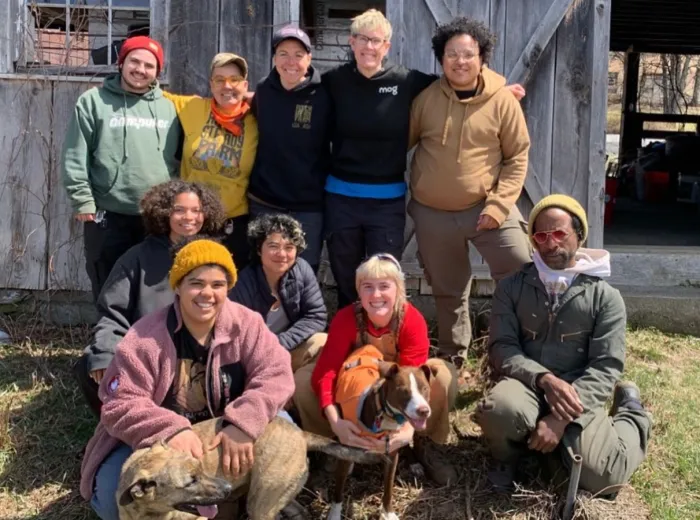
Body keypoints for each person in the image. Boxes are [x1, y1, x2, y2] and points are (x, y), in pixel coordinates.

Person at [321, 9, 525, 309]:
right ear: (352, 43)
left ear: (387, 46)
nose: (369, 46)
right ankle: (348, 339)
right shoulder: (332, 81)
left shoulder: (405, 81)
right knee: (344, 275)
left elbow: (458, 86)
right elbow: (301, 98)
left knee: (384, 276)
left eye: (377, 40)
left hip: (386, 200)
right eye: (362, 39)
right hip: (341, 196)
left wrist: (495, 93)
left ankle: (383, 341)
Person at [78, 238, 295, 520]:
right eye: (196, 283)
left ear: (228, 287)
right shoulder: (144, 337)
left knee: (283, 428)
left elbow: (276, 374)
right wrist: (171, 429)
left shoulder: (248, 324)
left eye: (218, 284)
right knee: (112, 501)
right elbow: (119, 404)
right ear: (177, 286)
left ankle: (249, 497)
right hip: (156, 442)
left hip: (221, 432)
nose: (207, 293)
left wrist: (244, 423)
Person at [475, 194, 652, 495]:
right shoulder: (511, 287)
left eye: (559, 233)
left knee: (605, 479)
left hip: (576, 393)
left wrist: (560, 418)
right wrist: (543, 379)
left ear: (579, 236)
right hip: (527, 383)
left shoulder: (605, 297)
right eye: (541, 236)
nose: (550, 243)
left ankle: (632, 412)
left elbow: (605, 366)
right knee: (500, 410)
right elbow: (502, 347)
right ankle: (508, 459)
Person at [408, 17, 532, 364]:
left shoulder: (501, 101)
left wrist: (499, 204)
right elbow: (400, 142)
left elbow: (517, 155)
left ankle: (511, 354)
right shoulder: (426, 100)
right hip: (432, 212)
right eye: (451, 54)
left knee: (521, 271)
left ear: (482, 57)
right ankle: (453, 358)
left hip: (486, 206)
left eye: (468, 54)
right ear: (441, 58)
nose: (460, 61)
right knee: (448, 290)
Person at [293, 253, 459, 485]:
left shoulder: (412, 320)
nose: (376, 294)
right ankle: (333, 446)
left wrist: (405, 431)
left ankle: (423, 442)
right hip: (353, 390)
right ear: (358, 292)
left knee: (441, 375)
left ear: (398, 290)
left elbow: (411, 379)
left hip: (396, 391)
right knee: (303, 380)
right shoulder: (346, 319)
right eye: (367, 287)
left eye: (384, 286)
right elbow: (327, 372)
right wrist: (335, 422)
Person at [74, 180, 225, 416]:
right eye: (179, 210)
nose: (189, 217)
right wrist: (105, 353)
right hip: (146, 354)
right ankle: (118, 429)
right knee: (91, 364)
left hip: (197, 357)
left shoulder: (215, 256)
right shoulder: (137, 257)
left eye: (197, 210)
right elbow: (113, 313)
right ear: (164, 213)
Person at [62, 36, 181, 302]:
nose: (140, 69)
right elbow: (75, 153)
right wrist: (82, 200)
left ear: (157, 71)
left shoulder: (170, 107)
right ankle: (108, 340)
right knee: (108, 283)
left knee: (153, 287)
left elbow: (181, 158)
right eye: (134, 61)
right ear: (121, 63)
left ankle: (146, 341)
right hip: (107, 214)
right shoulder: (94, 101)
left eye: (149, 65)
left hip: (156, 215)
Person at [247, 26, 331, 273]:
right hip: (264, 200)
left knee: (304, 270)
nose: (290, 62)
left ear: (309, 58)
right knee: (262, 268)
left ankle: (299, 313)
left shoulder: (325, 94)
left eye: (298, 54)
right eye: (283, 54)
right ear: (274, 58)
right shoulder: (264, 90)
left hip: (308, 204)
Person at [163, 53, 258, 269]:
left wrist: (255, 96)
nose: (227, 85)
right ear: (211, 84)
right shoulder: (193, 107)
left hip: (233, 224)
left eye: (234, 79)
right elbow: (149, 94)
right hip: (192, 220)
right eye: (219, 79)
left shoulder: (257, 117)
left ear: (245, 85)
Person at [229, 214, 327, 372]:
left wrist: (279, 343)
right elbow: (234, 334)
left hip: (286, 347)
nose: (282, 254)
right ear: (259, 249)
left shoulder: (302, 269)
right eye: (273, 246)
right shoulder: (243, 283)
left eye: (289, 247)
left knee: (322, 341)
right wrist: (266, 350)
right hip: (250, 358)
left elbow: (315, 315)